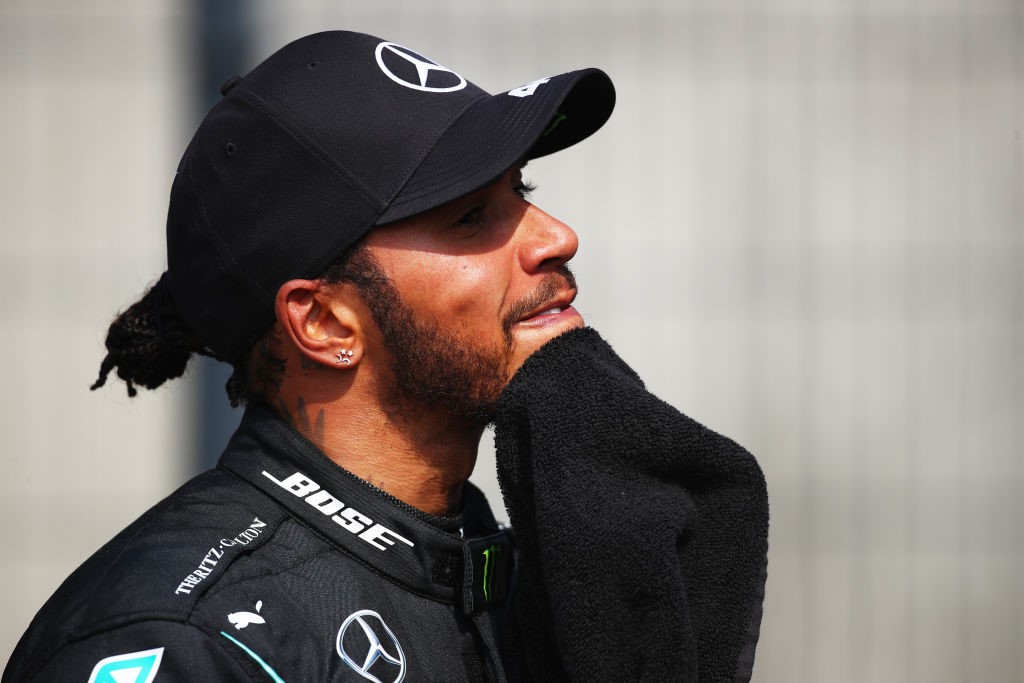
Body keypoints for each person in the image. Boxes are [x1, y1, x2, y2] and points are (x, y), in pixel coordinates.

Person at [4, 30, 768, 683]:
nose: (555, 234)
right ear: (327, 321)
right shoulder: (185, 641)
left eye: (521, 188)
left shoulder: (522, 577)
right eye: (472, 215)